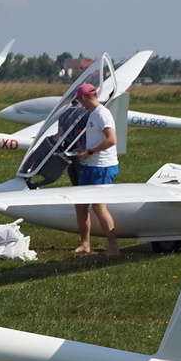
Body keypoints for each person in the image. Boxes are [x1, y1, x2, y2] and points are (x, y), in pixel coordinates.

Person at [66, 82, 120, 256]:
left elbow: (111, 140)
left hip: (103, 166)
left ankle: (113, 248)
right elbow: (96, 138)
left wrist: (89, 151)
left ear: (83, 97)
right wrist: (82, 149)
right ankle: (85, 244)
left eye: (79, 100)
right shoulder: (92, 114)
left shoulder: (102, 114)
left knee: (98, 207)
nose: (80, 104)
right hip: (91, 164)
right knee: (80, 205)